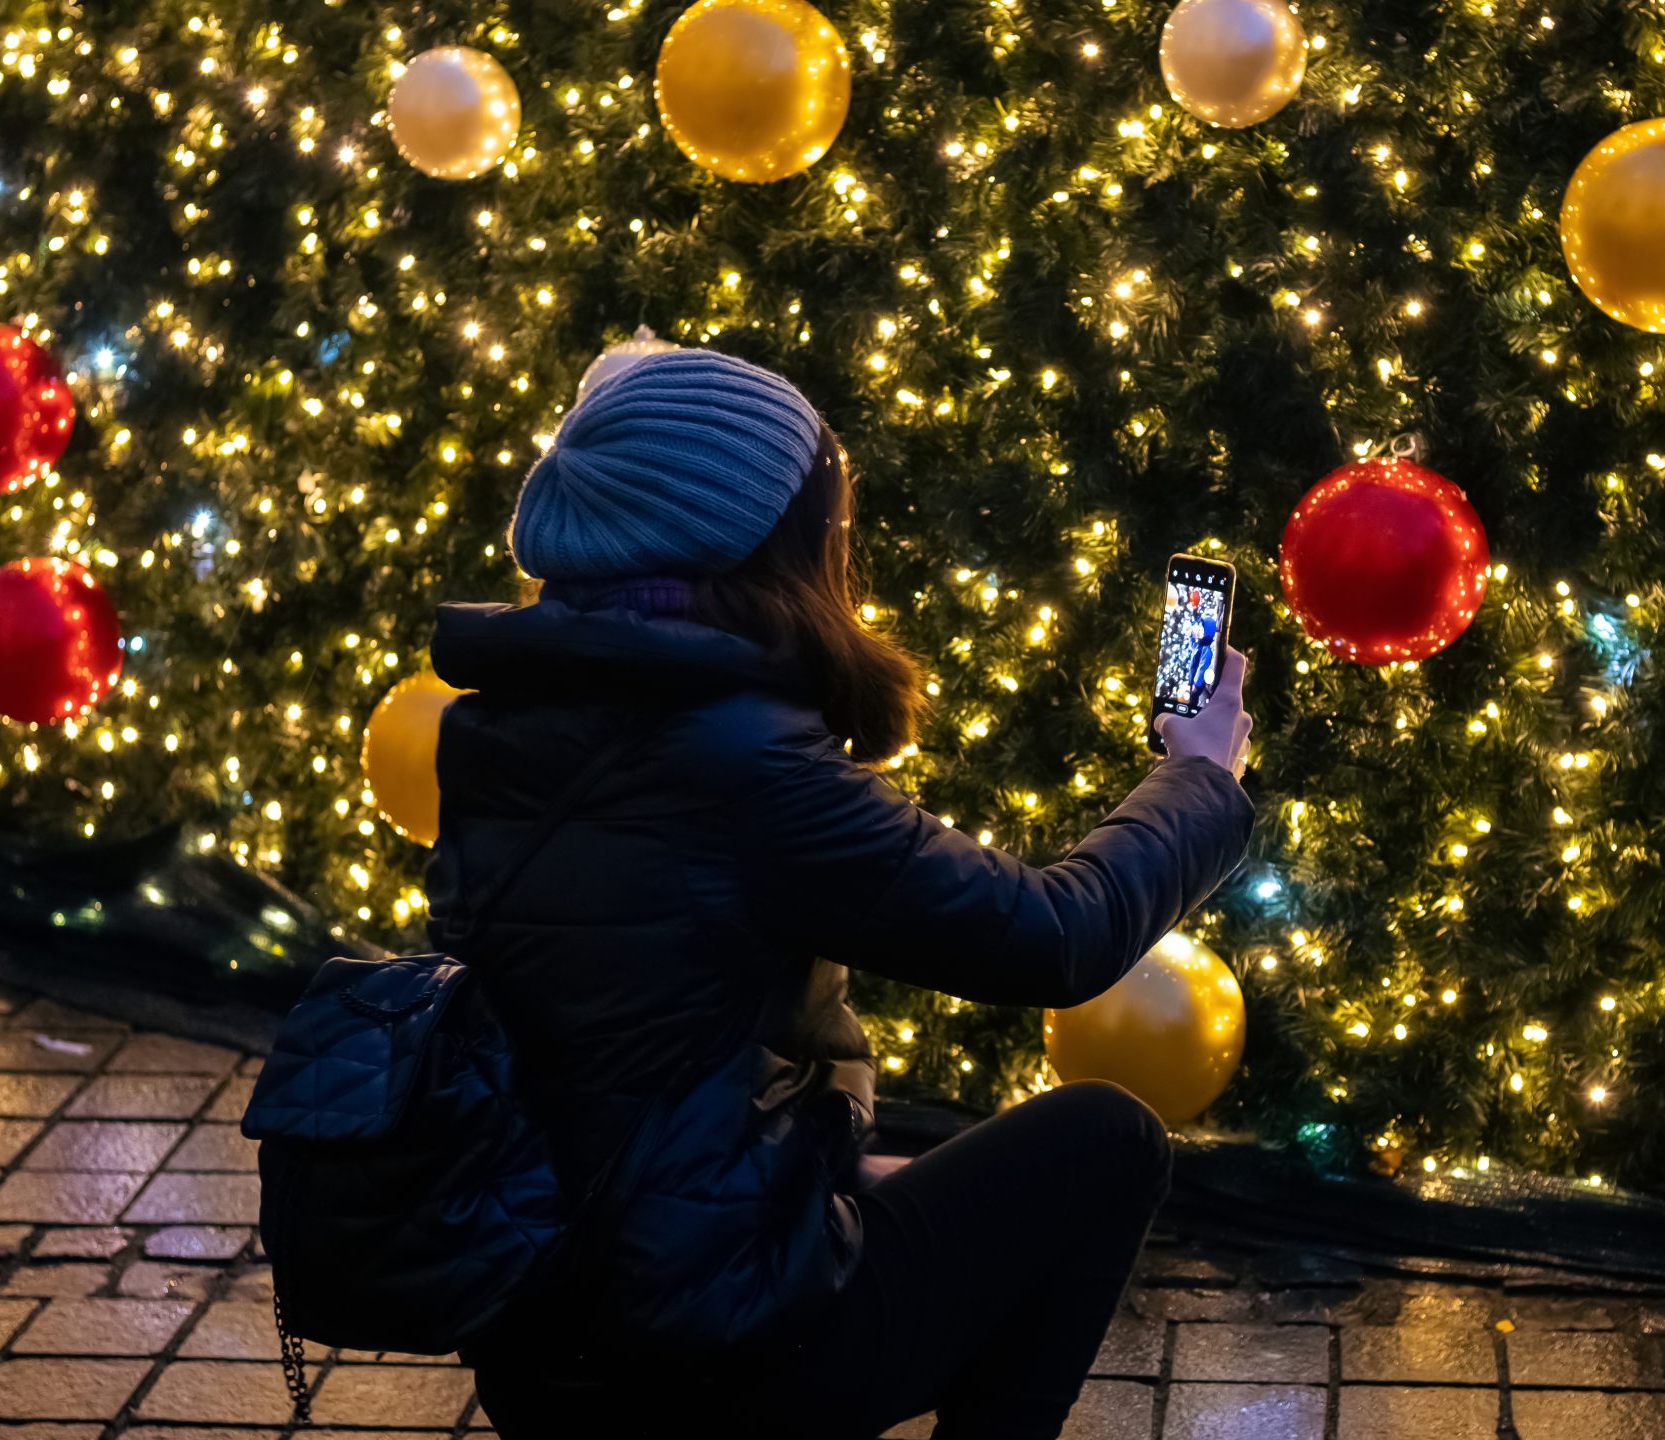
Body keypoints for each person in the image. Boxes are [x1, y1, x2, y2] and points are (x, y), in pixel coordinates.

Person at [430, 347, 1256, 1438]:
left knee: (927, 1178)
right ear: (776, 540)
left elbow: (615, 1034)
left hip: (538, 1338)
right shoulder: (737, 762)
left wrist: (818, 1152)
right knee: (1105, 1143)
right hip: (714, 1361)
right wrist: (1197, 779)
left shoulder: (497, 718)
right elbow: (1054, 936)